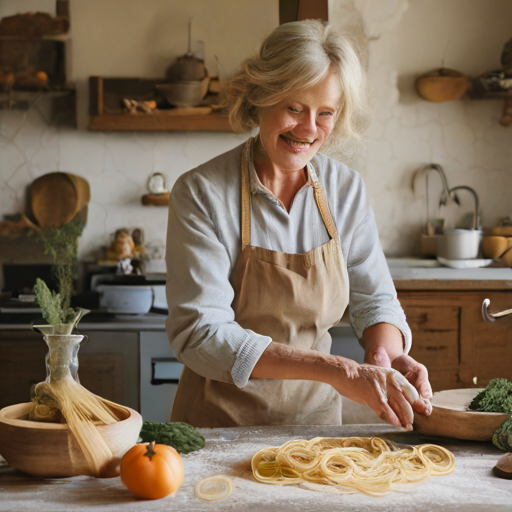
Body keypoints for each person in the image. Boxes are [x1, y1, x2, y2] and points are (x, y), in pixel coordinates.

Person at [165, 20, 432, 429]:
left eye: (325, 113)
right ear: (260, 97)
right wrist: (338, 371)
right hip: (220, 430)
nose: (309, 130)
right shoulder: (201, 194)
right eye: (294, 108)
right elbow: (201, 334)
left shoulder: (345, 190)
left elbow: (375, 300)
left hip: (316, 430)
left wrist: (385, 356)